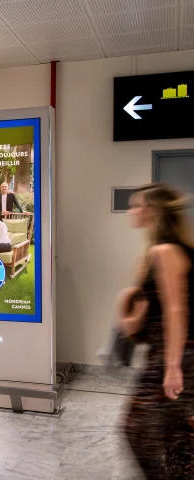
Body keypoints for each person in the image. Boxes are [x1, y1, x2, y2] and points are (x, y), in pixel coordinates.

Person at [121, 183, 194, 478]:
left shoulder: (164, 251)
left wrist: (173, 366)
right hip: (169, 355)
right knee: (174, 436)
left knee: (137, 431)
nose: (132, 211)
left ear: (152, 212)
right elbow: (144, 319)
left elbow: (177, 310)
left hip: (172, 357)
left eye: (136, 205)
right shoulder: (163, 251)